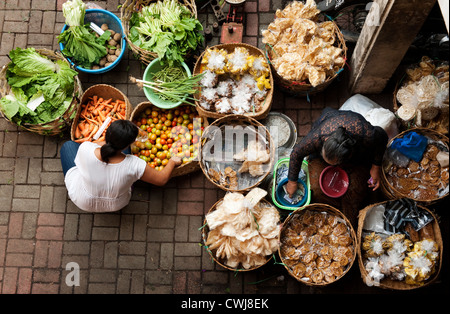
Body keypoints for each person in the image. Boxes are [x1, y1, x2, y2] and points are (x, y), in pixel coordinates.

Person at [286, 107, 388, 226]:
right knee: (317, 189)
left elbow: (383, 138)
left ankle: (346, 219)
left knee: (356, 190)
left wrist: (376, 167)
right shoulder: (319, 136)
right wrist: (292, 181)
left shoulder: (366, 134)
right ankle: (331, 210)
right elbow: (296, 153)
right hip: (329, 151)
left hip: (357, 156)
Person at [60, 119, 182, 212]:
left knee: (68, 146)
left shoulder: (86, 148)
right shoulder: (135, 164)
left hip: (83, 200)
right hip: (116, 204)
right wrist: (172, 162)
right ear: (127, 146)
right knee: (134, 174)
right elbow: (161, 180)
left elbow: (96, 147)